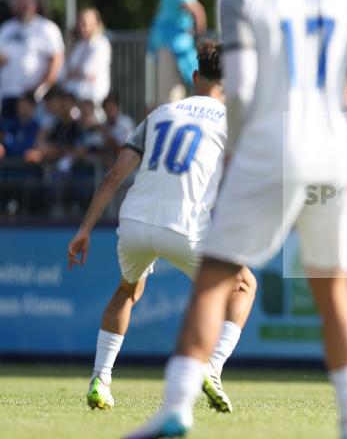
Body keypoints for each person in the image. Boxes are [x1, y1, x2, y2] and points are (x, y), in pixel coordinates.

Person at [121, 0, 347, 439]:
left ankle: (175, 408)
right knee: (334, 290)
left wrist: (237, 149)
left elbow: (239, 89)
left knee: (214, 281)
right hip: (334, 149)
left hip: (271, 144)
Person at [67, 41, 257, 414]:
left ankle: (100, 380)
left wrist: (84, 229)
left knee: (126, 290)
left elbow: (113, 177)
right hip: (184, 226)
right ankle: (212, 367)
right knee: (245, 284)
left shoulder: (158, 114)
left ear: (195, 76)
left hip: (134, 221)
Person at [148, 0, 207, 105]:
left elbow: (196, 9)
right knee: (173, 96)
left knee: (169, 99)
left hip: (173, 46)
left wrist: (200, 38)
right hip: (174, 45)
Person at [0, 0, 65, 121]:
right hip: (8, 95)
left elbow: (56, 61)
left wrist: (39, 89)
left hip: (35, 98)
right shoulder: (6, 28)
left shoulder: (47, 28)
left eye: (26, 4)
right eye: (20, 4)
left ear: (35, 6)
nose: (23, 8)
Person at [61, 8, 112, 107]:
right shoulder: (80, 44)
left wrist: (73, 73)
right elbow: (66, 69)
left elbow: (87, 70)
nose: (81, 27)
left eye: (84, 23)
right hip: (75, 98)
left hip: (93, 100)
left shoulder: (101, 44)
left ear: (95, 24)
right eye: (79, 23)